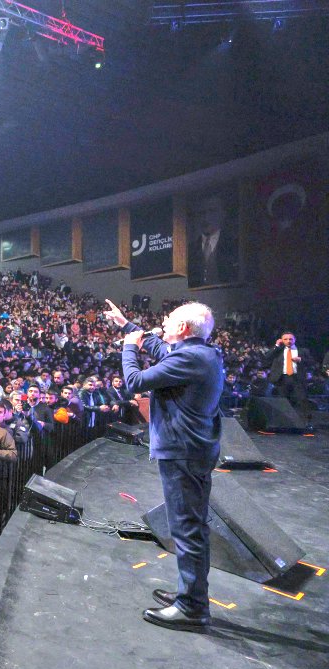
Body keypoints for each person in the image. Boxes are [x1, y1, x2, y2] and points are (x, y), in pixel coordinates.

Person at [105, 298, 223, 631]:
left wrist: (128, 347)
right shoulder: (198, 354)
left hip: (183, 452)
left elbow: (134, 383)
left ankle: (193, 608)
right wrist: (128, 326)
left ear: (183, 328)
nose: (163, 323)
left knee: (187, 530)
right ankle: (190, 595)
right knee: (190, 528)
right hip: (192, 450)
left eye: (168, 319)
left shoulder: (190, 358)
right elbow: (161, 349)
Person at [186, 195, 238, 288]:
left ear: (223, 214)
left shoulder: (235, 245)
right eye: (202, 213)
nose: (206, 217)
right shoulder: (189, 250)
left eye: (212, 211)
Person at [265, 332, 312, 425]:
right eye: (285, 339)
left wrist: (301, 360)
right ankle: (282, 422)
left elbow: (311, 362)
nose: (288, 341)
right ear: (282, 340)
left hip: (297, 379)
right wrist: (276, 345)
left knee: (302, 400)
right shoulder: (278, 350)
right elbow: (267, 357)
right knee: (282, 401)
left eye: (290, 339)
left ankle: (305, 423)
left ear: (294, 340)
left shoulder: (303, 351)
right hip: (282, 378)